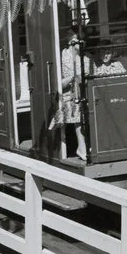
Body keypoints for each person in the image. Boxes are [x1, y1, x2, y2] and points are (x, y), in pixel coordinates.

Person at [58, 29, 91, 161]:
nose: (83, 43)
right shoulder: (62, 56)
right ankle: (81, 146)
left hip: (83, 91)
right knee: (76, 107)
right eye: (79, 40)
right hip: (67, 94)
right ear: (71, 42)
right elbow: (58, 82)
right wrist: (72, 78)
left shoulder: (87, 57)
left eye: (84, 40)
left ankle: (89, 144)